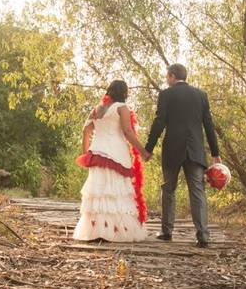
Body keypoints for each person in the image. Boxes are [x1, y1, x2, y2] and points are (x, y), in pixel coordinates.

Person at [144, 63, 220, 248]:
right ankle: (203, 235)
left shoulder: (166, 94)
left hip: (172, 149)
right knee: (197, 191)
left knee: (168, 189)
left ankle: (166, 232)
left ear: (171, 76)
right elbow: (208, 125)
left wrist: (149, 148)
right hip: (195, 150)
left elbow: (159, 121)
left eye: (166, 76)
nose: (166, 79)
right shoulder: (201, 95)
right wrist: (215, 153)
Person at [73, 80, 149, 242]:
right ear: (124, 93)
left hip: (97, 152)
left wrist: (85, 153)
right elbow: (128, 132)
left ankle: (96, 231)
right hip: (116, 153)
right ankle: (116, 231)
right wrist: (143, 152)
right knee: (115, 191)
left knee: (99, 192)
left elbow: (86, 130)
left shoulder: (97, 109)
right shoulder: (122, 108)